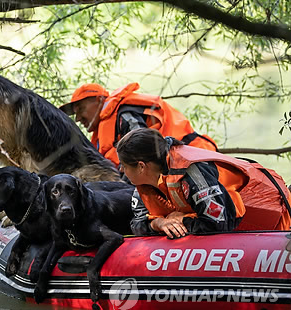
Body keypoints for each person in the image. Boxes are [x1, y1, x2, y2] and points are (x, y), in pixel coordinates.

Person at [116, 128, 291, 238]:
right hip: (231, 232)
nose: (121, 171)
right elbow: (136, 223)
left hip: (271, 220)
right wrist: (159, 224)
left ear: (141, 166)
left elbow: (219, 223)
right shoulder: (144, 186)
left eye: (123, 165)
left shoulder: (192, 172)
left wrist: (182, 221)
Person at [60, 83, 218, 168]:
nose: (78, 118)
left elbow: (142, 151)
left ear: (100, 99)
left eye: (80, 109)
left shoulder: (124, 114)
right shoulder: (107, 126)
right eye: (75, 114)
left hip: (197, 161)